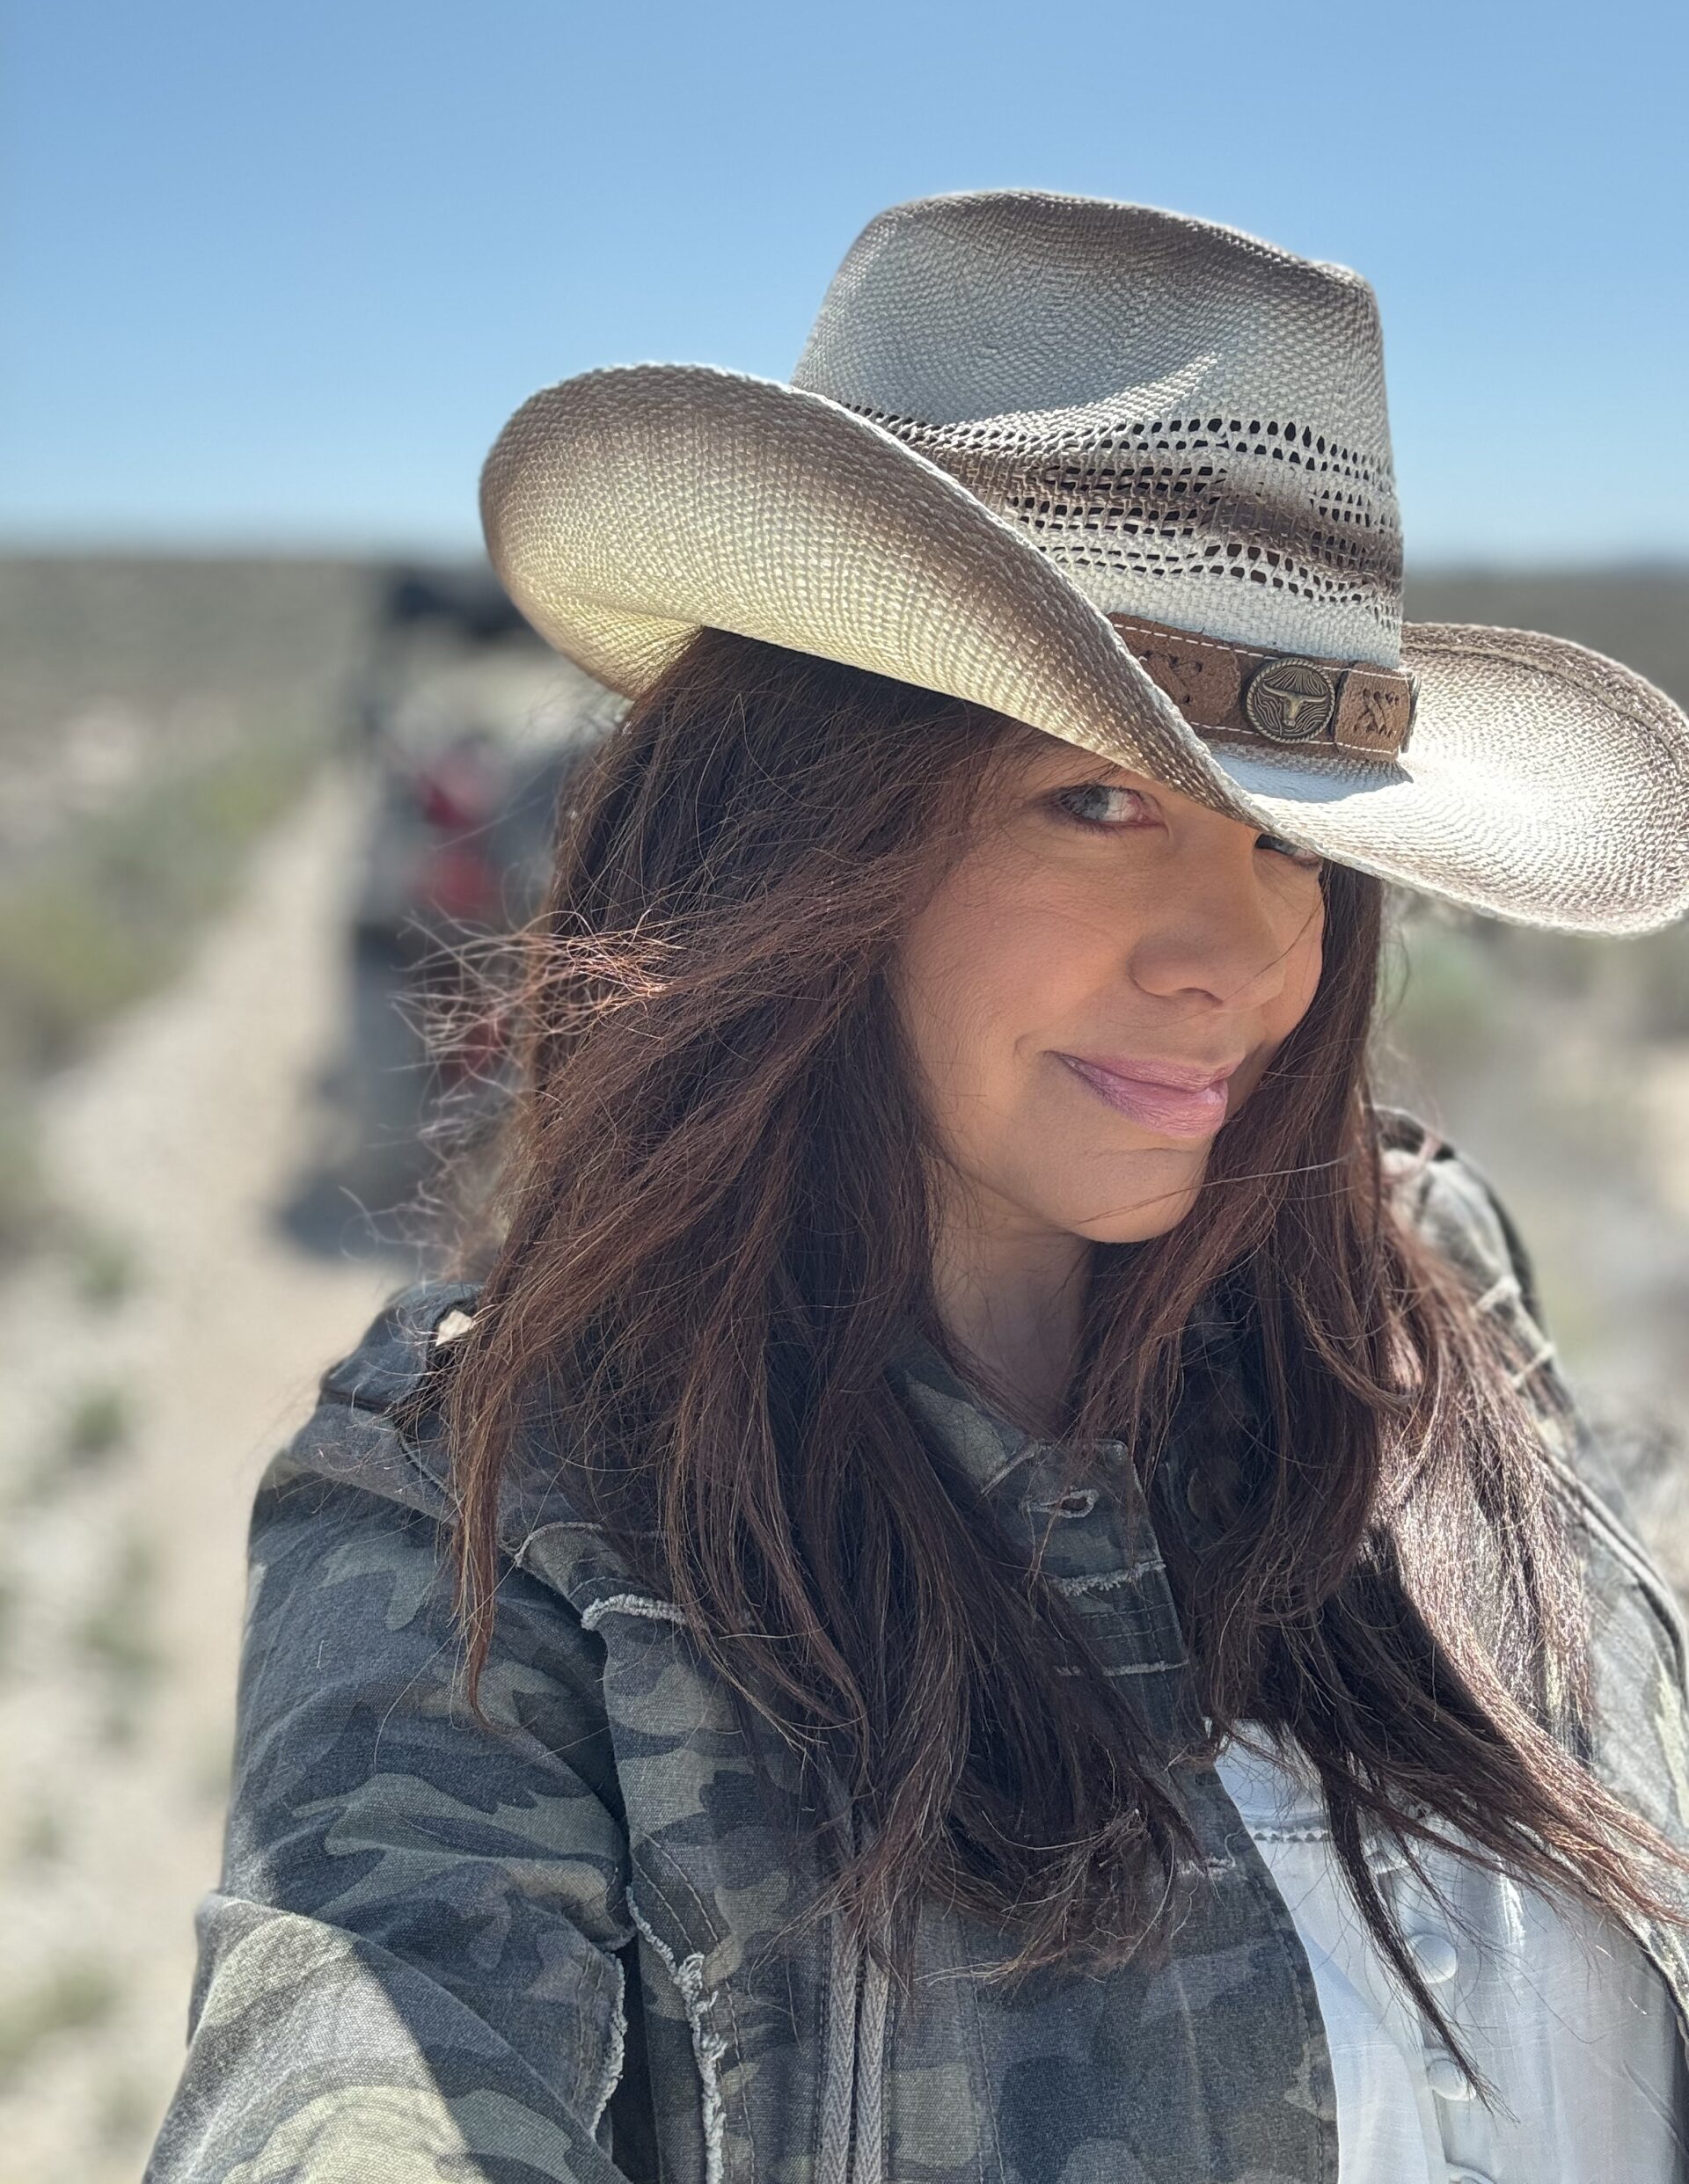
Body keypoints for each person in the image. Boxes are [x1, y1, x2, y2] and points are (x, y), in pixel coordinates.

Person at [146, 190, 1689, 2184]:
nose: (1240, 957)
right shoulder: (498, 1521)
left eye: (1292, 838)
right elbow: (364, 2043)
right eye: (1100, 797)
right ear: (809, 834)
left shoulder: (1422, 1297)